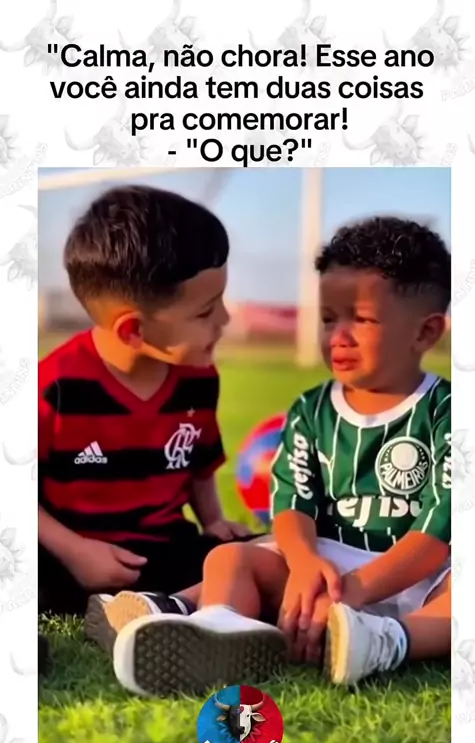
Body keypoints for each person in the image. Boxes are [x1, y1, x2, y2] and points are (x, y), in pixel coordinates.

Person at [110, 215, 451, 698]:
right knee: (230, 558)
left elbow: (438, 532)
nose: (338, 336)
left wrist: (356, 591)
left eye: (361, 320)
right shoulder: (311, 411)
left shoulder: (449, 412)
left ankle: (385, 643)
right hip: (328, 570)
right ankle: (218, 630)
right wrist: (306, 561)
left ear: (425, 332)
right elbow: (292, 505)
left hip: (422, 576)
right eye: (328, 318)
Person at [38, 184, 254, 656]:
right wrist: (76, 552)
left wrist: (214, 520)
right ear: (134, 329)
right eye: (206, 311)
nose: (224, 319)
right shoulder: (54, 387)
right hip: (64, 560)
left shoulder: (199, 379)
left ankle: (161, 607)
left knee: (275, 552)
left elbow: (197, 463)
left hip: (161, 553)